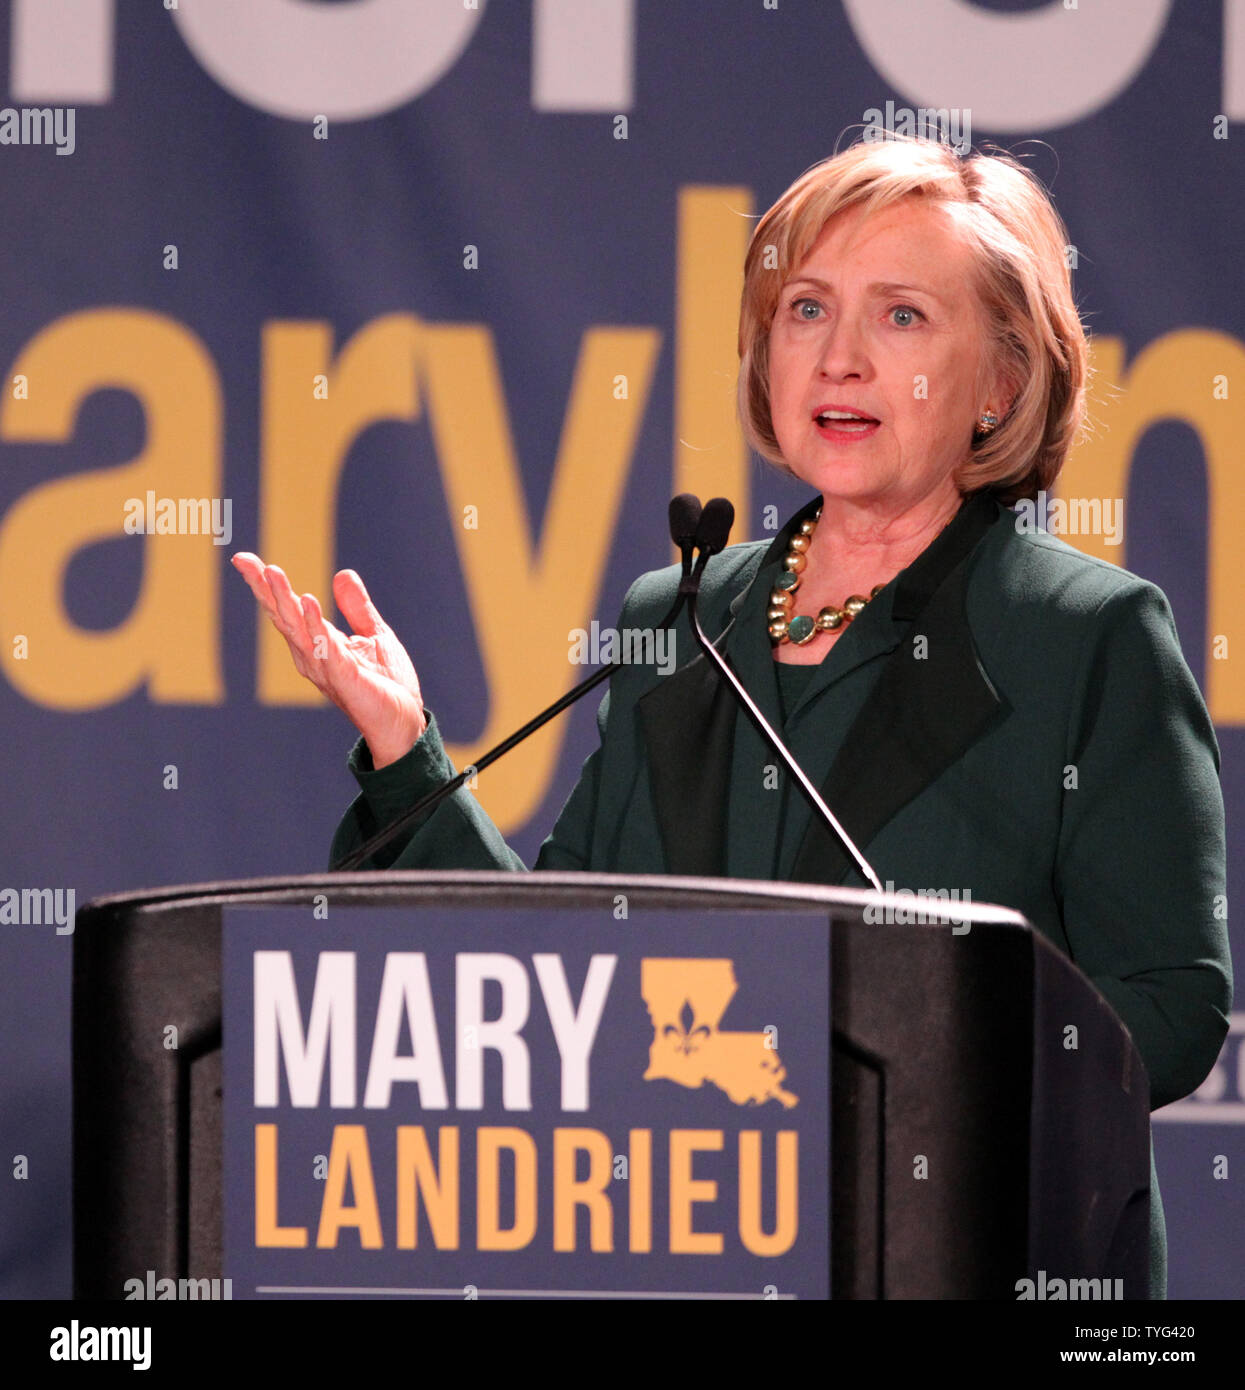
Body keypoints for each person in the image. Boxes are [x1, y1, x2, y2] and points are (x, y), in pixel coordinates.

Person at [233, 133, 1231, 1298]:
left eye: (901, 317)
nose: (840, 357)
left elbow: (1167, 1009)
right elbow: (563, 958)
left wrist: (908, 1069)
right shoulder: (686, 615)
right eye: (806, 309)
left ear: (1001, 381)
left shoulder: (1081, 634)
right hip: (673, 1255)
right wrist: (408, 753)